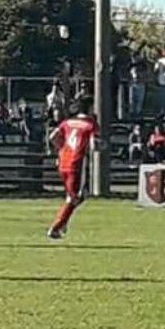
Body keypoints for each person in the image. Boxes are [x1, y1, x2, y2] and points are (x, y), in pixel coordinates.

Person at [46, 97, 101, 240]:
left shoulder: (67, 122)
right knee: (75, 197)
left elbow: (52, 137)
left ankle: (64, 222)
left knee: (76, 196)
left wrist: (61, 149)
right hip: (77, 163)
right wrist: (101, 147)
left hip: (63, 161)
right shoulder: (90, 124)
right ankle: (56, 227)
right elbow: (94, 145)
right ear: (89, 108)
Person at [128, 51, 149, 120]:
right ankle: (132, 114)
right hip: (132, 84)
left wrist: (142, 77)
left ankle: (138, 114)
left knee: (139, 101)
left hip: (140, 84)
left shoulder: (143, 65)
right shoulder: (130, 65)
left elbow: (146, 74)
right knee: (132, 100)